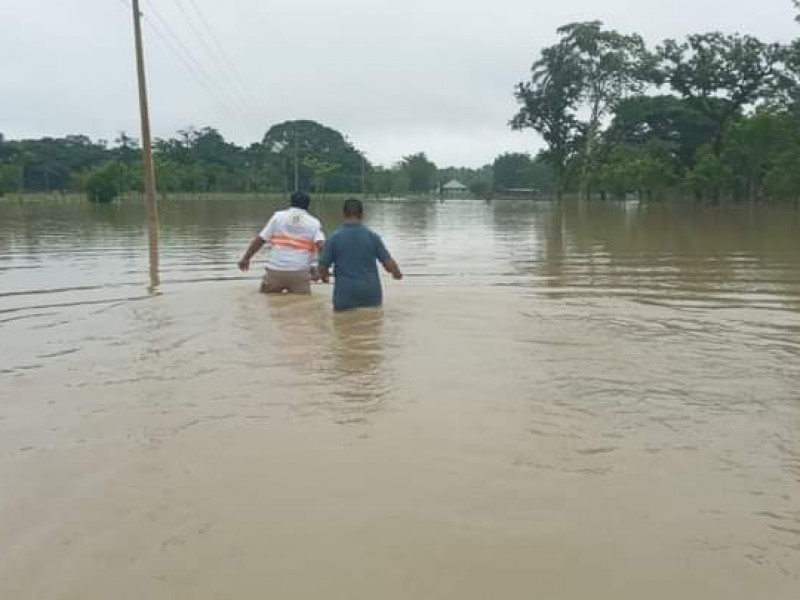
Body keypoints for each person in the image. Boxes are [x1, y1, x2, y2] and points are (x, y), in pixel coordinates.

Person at [318, 198, 402, 311]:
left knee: (342, 326)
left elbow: (322, 267)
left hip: (345, 295)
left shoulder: (334, 238)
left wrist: (324, 276)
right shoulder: (373, 237)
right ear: (362, 215)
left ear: (343, 214)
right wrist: (397, 274)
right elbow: (389, 264)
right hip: (370, 294)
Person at [237, 191, 325, 294]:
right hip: (299, 272)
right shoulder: (314, 222)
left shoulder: (278, 217)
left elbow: (260, 240)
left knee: (267, 299)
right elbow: (322, 246)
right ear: (308, 205)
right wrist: (322, 270)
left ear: (291, 202)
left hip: (275, 270)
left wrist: (246, 258)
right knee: (303, 303)